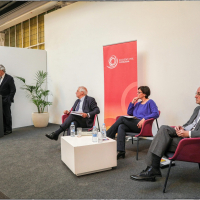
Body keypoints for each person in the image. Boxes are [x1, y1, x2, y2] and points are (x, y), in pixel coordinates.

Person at [130, 87, 200, 182]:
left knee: (160, 139)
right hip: (183, 135)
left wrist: (188, 133)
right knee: (163, 130)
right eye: (196, 93)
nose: (195, 96)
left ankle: (152, 169)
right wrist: (182, 128)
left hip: (192, 142)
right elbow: (189, 124)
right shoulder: (197, 109)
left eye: (198, 94)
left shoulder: (150, 102)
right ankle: (153, 169)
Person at [107, 86, 159, 159]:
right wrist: (132, 102)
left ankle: (107, 135)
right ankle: (121, 151)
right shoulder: (138, 103)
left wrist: (144, 119)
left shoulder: (150, 102)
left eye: (139, 92)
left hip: (142, 126)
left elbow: (156, 113)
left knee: (122, 118)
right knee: (121, 126)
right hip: (133, 124)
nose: (137, 93)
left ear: (144, 94)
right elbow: (129, 112)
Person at [0, 64, 16, 135]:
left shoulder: (9, 78)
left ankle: (8, 129)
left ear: (2, 70)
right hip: (0, 100)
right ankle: (3, 129)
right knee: (1, 115)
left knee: (7, 115)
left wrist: (9, 99)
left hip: (6, 99)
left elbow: (13, 90)